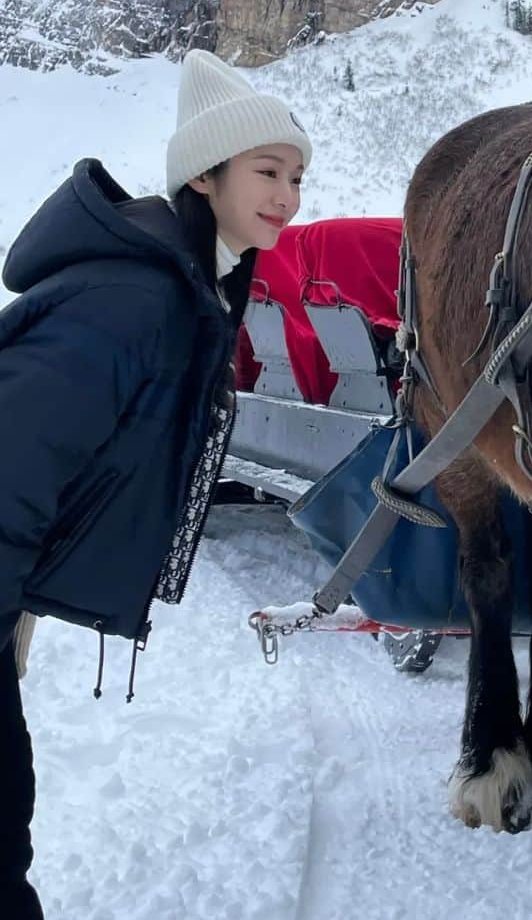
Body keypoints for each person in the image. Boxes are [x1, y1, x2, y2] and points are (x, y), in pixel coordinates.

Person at [0, 49, 312, 918]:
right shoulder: (135, 299)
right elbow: (13, 461)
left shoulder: (190, 292)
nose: (287, 195)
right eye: (266, 171)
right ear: (204, 176)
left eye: (296, 175)